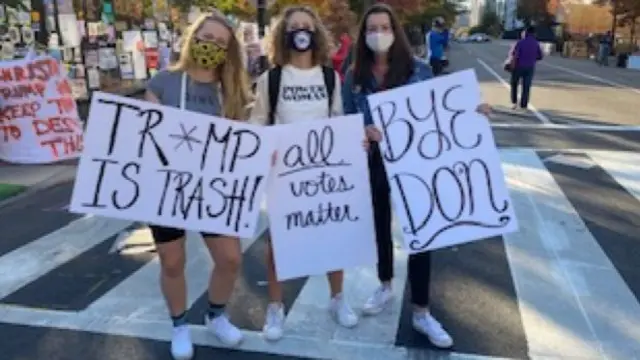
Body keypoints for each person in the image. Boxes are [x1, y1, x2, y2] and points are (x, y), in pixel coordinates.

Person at [342, 3, 491, 349]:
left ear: (395, 32)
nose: (378, 34)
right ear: (364, 36)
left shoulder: (419, 71)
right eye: (372, 29)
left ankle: (421, 310)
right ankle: (384, 284)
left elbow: (442, 111)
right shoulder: (354, 76)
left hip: (416, 164)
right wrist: (363, 130)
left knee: (423, 233)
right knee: (378, 225)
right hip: (376, 161)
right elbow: (348, 120)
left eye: (384, 27)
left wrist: (473, 111)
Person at [144, 11, 253, 360]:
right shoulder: (163, 81)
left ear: (228, 50)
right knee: (172, 262)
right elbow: (147, 133)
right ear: (193, 37)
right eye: (206, 37)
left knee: (230, 258)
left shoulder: (230, 89)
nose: (212, 46)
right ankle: (179, 324)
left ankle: (216, 314)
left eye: (221, 43)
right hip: (167, 185)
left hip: (213, 187)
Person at [249, 5, 358, 342]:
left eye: (306, 26)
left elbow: (338, 119)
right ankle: (276, 306)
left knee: (332, 237)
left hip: (324, 172)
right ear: (284, 34)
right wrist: (263, 149)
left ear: (316, 34)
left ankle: (337, 298)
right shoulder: (272, 78)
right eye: (294, 26)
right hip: (285, 174)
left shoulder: (329, 77)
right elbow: (259, 121)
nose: (300, 31)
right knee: (277, 243)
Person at [510, 26, 542, 111]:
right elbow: (540, 56)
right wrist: (532, 58)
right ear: (534, 34)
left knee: (514, 84)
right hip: (530, 67)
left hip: (518, 67)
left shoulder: (520, 42)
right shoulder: (536, 43)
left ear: (526, 33)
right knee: (526, 87)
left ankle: (514, 102)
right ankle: (524, 105)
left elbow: (514, 54)